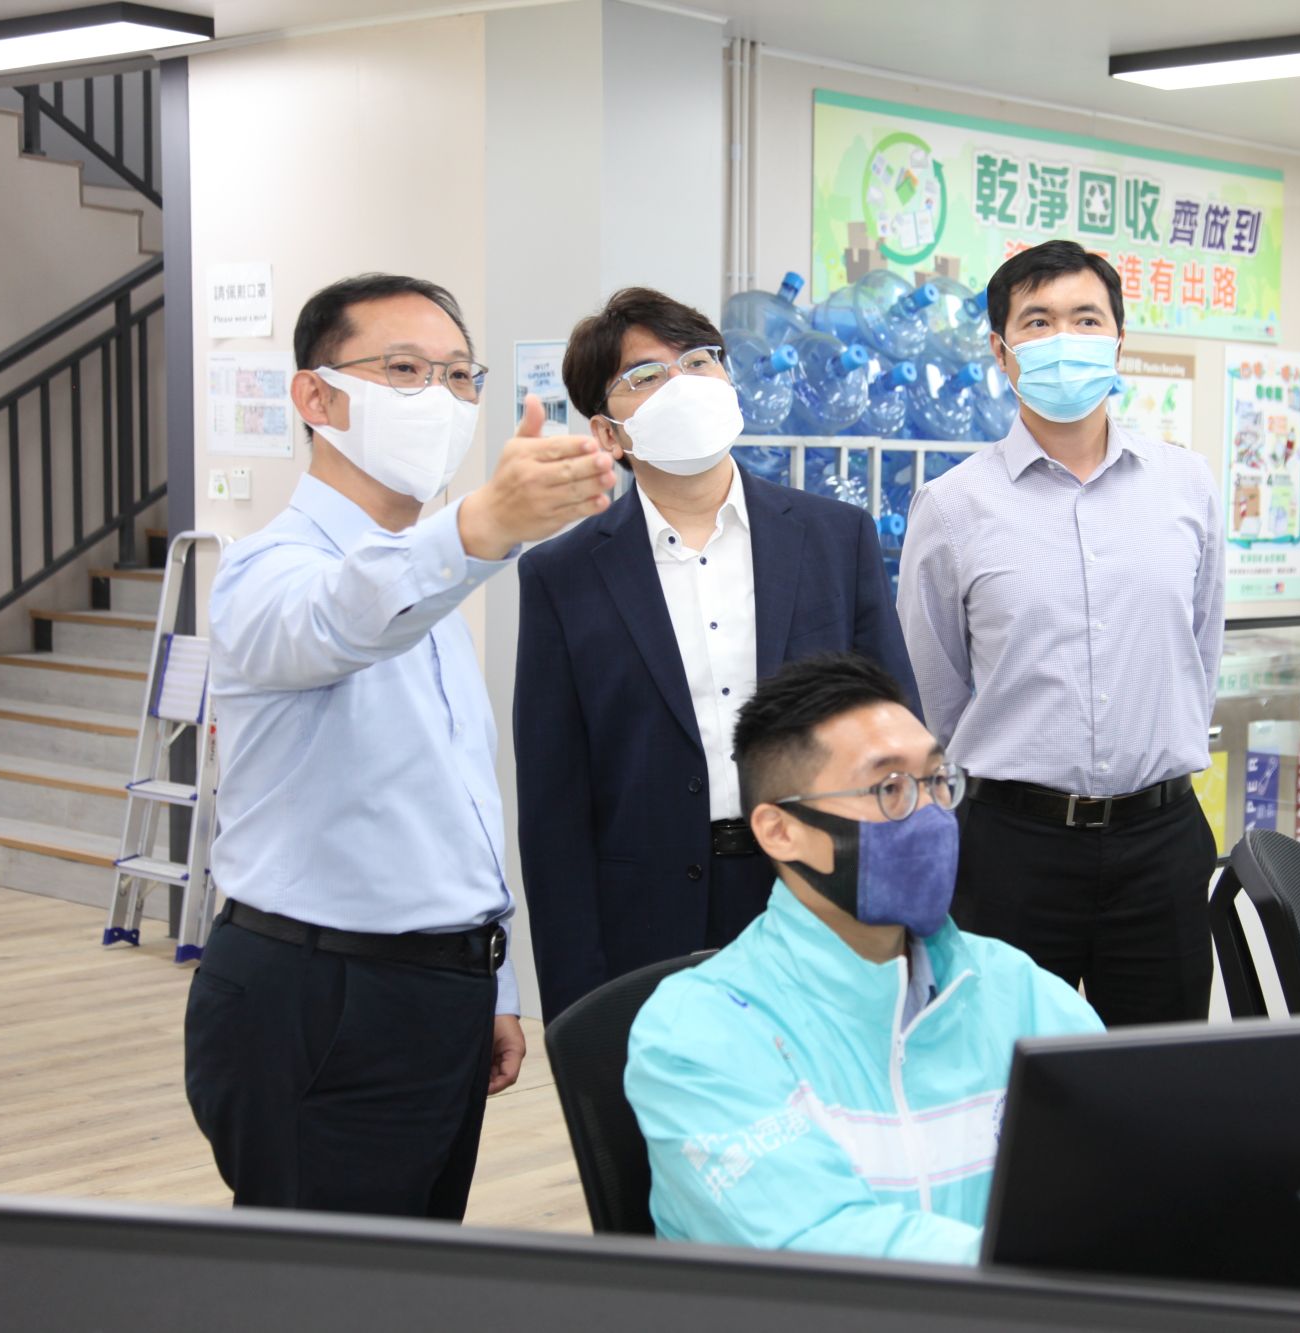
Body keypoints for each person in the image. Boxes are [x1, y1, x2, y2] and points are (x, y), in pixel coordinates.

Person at [186, 273, 614, 1219]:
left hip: (439, 994)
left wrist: (491, 977)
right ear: (316, 396)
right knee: (322, 1291)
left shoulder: (431, 576)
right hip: (318, 994)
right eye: (407, 369)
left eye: (461, 376)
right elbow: (339, 619)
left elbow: (453, 799)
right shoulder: (271, 569)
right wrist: (480, 528)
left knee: (414, 1273)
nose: (442, 398)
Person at [515, 288, 918, 1023]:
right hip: (648, 920)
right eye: (647, 375)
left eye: (700, 361)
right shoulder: (562, 577)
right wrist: (577, 1003)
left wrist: (906, 918)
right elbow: (554, 810)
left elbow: (897, 737)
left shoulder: (834, 539)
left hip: (820, 897)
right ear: (608, 433)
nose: (685, 383)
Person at [624, 653, 1103, 1263]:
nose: (929, 812)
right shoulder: (696, 1033)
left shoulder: (1019, 990)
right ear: (779, 831)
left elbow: (1125, 1169)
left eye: (937, 781)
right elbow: (820, 1246)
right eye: (890, 789)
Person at [896, 240, 1225, 1027]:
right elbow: (929, 696)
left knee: (1159, 1089)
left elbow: (1200, 652)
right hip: (1011, 849)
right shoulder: (952, 507)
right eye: (1037, 322)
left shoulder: (1187, 485)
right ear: (1002, 352)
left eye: (1085, 318)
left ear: (1118, 340)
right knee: (1004, 1085)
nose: (1063, 338)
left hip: (1162, 839)